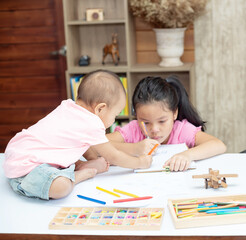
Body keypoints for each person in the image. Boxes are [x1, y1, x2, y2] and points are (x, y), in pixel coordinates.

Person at [3, 70, 152, 200]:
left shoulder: (69, 107)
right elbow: (114, 156)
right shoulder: (91, 123)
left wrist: (94, 159)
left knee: (73, 163)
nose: (114, 119)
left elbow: (81, 142)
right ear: (100, 109)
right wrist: (140, 162)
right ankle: (76, 176)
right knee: (62, 187)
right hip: (25, 172)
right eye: (115, 114)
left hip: (19, 153)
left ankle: (78, 167)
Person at [107, 75, 227, 171]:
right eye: (146, 122)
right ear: (136, 117)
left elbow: (218, 145)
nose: (154, 129)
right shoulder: (134, 129)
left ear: (174, 113)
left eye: (162, 121)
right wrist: (134, 149)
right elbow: (96, 144)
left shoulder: (181, 130)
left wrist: (187, 155)